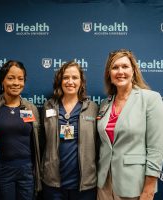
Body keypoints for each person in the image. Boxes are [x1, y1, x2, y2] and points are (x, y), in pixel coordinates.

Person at [97, 49, 163, 200]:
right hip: (104, 185)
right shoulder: (105, 104)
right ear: (109, 73)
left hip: (134, 185)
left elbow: (156, 150)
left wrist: (149, 190)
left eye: (125, 66)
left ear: (133, 71)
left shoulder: (150, 99)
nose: (120, 71)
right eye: (115, 67)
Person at [0, 60, 41, 200]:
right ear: (2, 81)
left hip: (26, 171)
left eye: (20, 79)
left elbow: (38, 139)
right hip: (2, 170)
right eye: (11, 78)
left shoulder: (31, 108)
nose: (16, 83)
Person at [41, 61, 98, 200]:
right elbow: (42, 141)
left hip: (84, 185)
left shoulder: (93, 108)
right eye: (66, 77)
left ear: (81, 82)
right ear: (60, 80)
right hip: (53, 184)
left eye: (75, 77)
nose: (70, 81)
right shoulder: (48, 107)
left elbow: (99, 143)